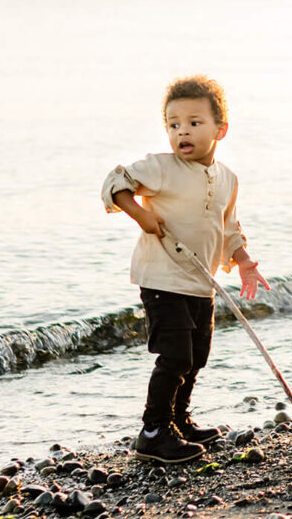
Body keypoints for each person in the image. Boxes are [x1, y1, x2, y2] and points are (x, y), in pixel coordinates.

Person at [103, 75, 271, 464]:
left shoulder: (227, 178)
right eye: (174, 124)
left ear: (220, 129)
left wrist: (243, 261)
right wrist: (139, 213)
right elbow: (115, 182)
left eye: (194, 123)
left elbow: (228, 227)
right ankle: (153, 430)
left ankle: (179, 419)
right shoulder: (162, 168)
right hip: (162, 277)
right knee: (175, 355)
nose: (183, 131)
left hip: (201, 282)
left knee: (196, 357)